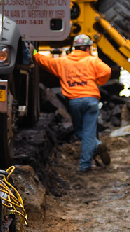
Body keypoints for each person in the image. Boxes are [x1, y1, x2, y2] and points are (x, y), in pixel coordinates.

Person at [34, 35, 111, 172]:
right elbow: (107, 71)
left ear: (73, 48)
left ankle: (90, 154)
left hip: (74, 101)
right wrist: (99, 81)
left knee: (79, 131)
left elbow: (45, 61)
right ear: (88, 48)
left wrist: (33, 52)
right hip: (91, 100)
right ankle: (89, 157)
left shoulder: (63, 62)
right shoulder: (92, 60)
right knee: (88, 133)